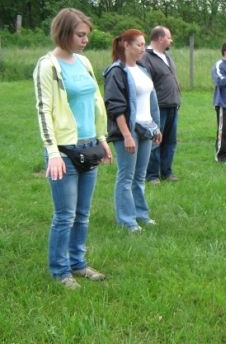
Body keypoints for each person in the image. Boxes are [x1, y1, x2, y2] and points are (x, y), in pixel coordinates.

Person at [32, 8, 111, 289]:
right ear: (63, 33)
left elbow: (94, 102)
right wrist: (53, 152)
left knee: (83, 214)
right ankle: (60, 271)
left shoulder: (84, 62)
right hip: (64, 151)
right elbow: (44, 111)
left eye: (86, 35)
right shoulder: (48, 65)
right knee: (64, 215)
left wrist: (102, 140)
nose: (85, 40)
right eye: (80, 35)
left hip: (90, 147)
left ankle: (78, 263)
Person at [103, 29, 162, 233]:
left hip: (146, 128)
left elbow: (151, 100)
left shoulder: (142, 69)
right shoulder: (116, 71)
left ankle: (141, 214)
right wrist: (127, 135)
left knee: (140, 176)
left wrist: (156, 126)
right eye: (138, 44)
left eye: (143, 44)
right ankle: (127, 220)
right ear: (125, 45)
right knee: (126, 176)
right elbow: (115, 107)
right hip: (129, 131)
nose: (142, 49)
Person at [140, 26, 181, 184]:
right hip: (157, 108)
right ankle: (152, 175)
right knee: (156, 141)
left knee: (170, 141)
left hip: (172, 106)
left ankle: (166, 172)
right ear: (160, 38)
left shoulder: (167, 56)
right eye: (169, 37)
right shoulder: (146, 57)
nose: (171, 40)